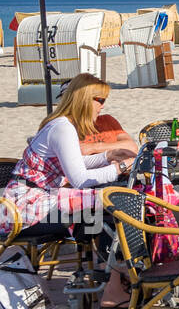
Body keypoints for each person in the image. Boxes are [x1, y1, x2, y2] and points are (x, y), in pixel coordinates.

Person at [0, 74, 135, 236]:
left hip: (30, 202)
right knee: (112, 202)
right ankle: (115, 256)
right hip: (26, 211)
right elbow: (79, 180)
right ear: (85, 100)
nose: (103, 106)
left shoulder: (60, 124)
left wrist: (107, 155)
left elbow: (76, 163)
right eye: (101, 100)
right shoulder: (63, 129)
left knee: (109, 199)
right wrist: (120, 167)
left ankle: (107, 255)